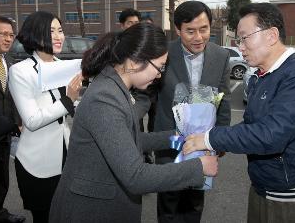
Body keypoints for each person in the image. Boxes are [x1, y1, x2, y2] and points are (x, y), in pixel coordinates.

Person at [48, 23, 218, 223]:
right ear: (135, 61)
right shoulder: (104, 98)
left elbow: (130, 140)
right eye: (159, 67)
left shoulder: (115, 87)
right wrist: (198, 167)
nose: (159, 75)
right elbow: (136, 176)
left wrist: (179, 139)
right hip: (91, 210)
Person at [183, 3, 295, 223]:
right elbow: (252, 125)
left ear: (271, 35)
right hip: (264, 188)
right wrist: (218, 142)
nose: (240, 47)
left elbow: (272, 136)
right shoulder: (262, 75)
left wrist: (210, 139)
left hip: (293, 198)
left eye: (244, 38)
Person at [153, 1, 231, 223]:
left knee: (195, 201)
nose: (198, 37)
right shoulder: (163, 54)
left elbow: (223, 99)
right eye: (190, 31)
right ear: (178, 30)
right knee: (169, 202)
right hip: (169, 141)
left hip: (203, 143)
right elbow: (147, 94)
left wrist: (221, 137)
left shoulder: (220, 55)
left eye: (204, 29)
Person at [8, 11, 83, 223]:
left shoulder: (63, 65)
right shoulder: (20, 71)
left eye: (60, 30)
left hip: (66, 155)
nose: (59, 36)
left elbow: (72, 106)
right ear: (35, 34)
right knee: (45, 217)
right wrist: (68, 100)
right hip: (36, 163)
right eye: (51, 31)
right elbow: (31, 121)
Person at [0, 15, 25, 223]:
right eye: (4, 34)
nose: (9, 39)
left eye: (12, 35)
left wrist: (17, 121)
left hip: (3, 132)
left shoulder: (10, 63)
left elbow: (12, 96)